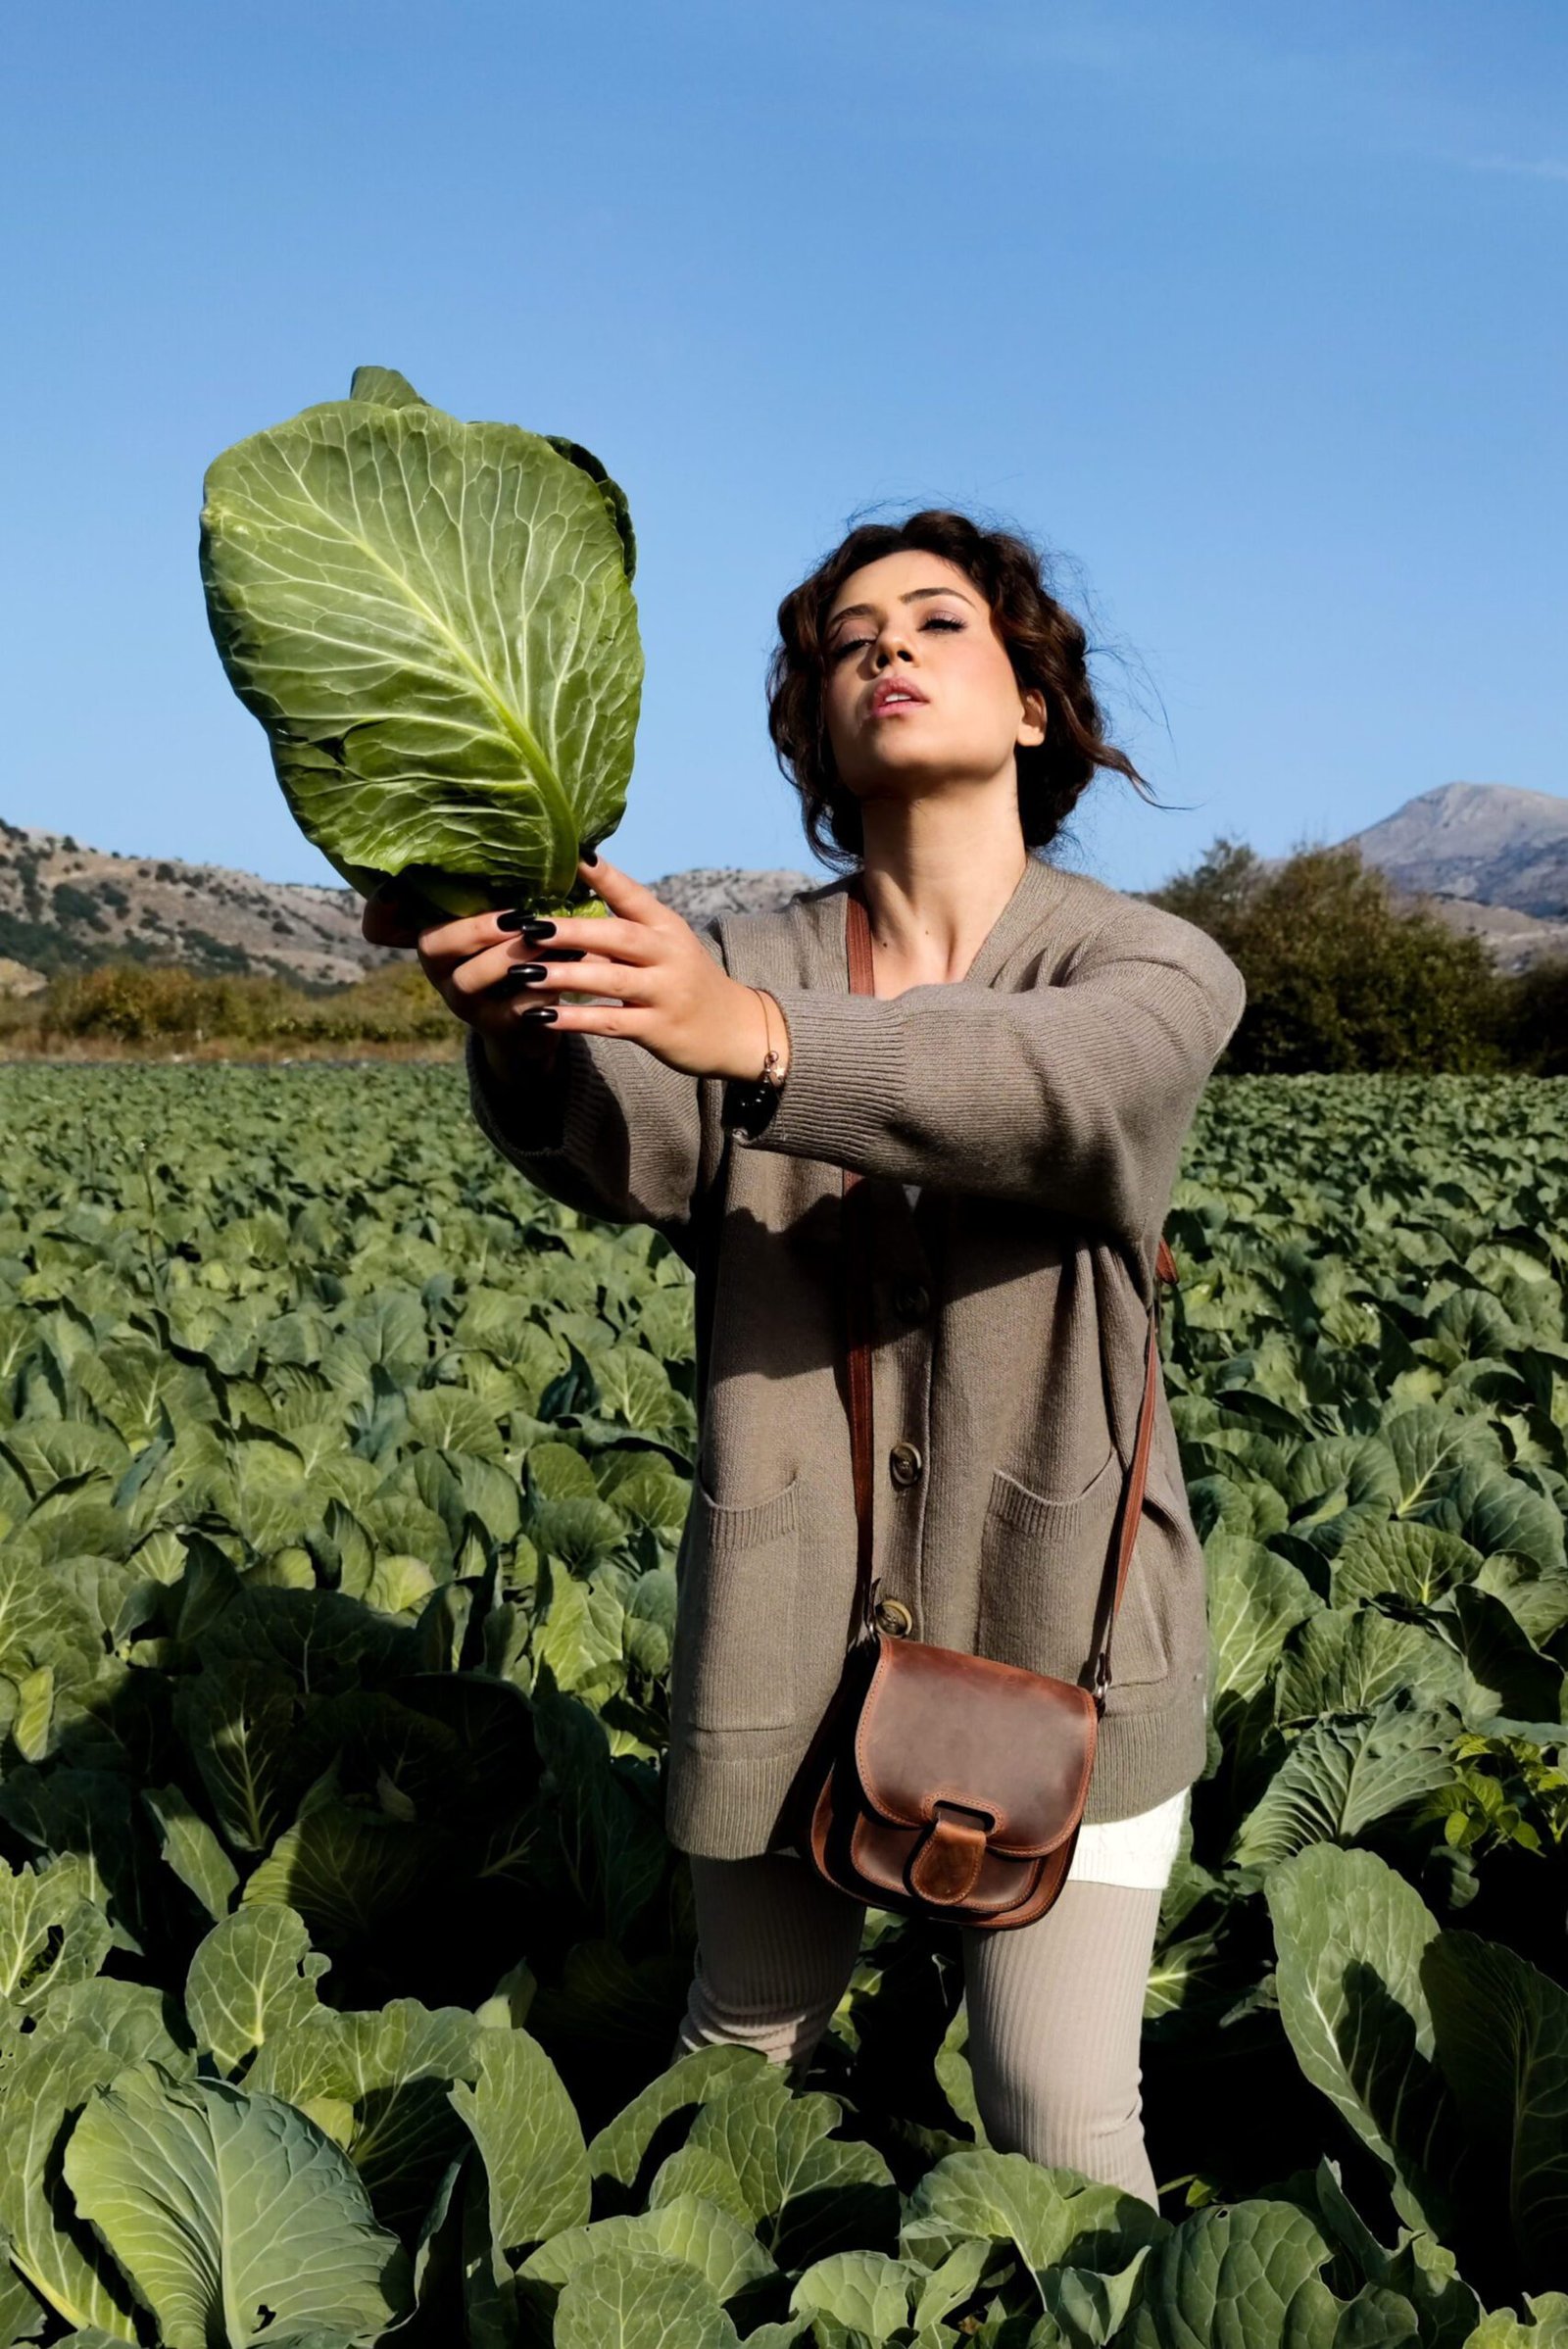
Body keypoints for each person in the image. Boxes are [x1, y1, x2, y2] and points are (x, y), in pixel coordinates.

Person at [365, 510, 1246, 2208]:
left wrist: (759, 1043)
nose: (886, 652)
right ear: (815, 723)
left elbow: (1064, 1094)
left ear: (1034, 705)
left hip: (1071, 1637)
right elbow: (641, 1145)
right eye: (847, 641)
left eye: (935, 624)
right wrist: (522, 1024)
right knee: (733, 2064)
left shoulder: (1146, 964)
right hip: (789, 1613)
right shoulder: (744, 949)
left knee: (1057, 2123)